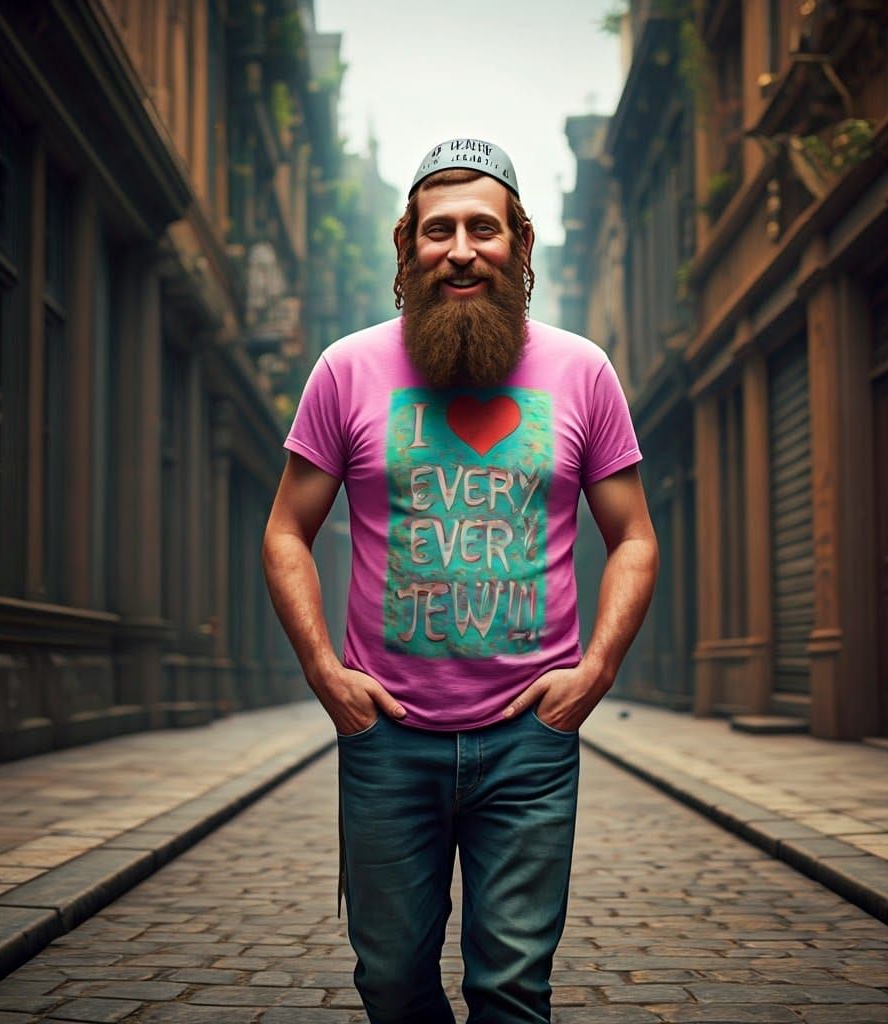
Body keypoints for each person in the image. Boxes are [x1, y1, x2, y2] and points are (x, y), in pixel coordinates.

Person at [262, 137, 658, 1024]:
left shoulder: (582, 370)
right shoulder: (346, 369)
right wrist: (327, 675)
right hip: (387, 738)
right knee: (391, 982)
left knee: (513, 989)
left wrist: (594, 674)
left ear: (519, 242)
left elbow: (633, 537)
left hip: (530, 740)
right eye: (438, 231)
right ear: (408, 248)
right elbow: (287, 530)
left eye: (484, 227)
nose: (462, 248)